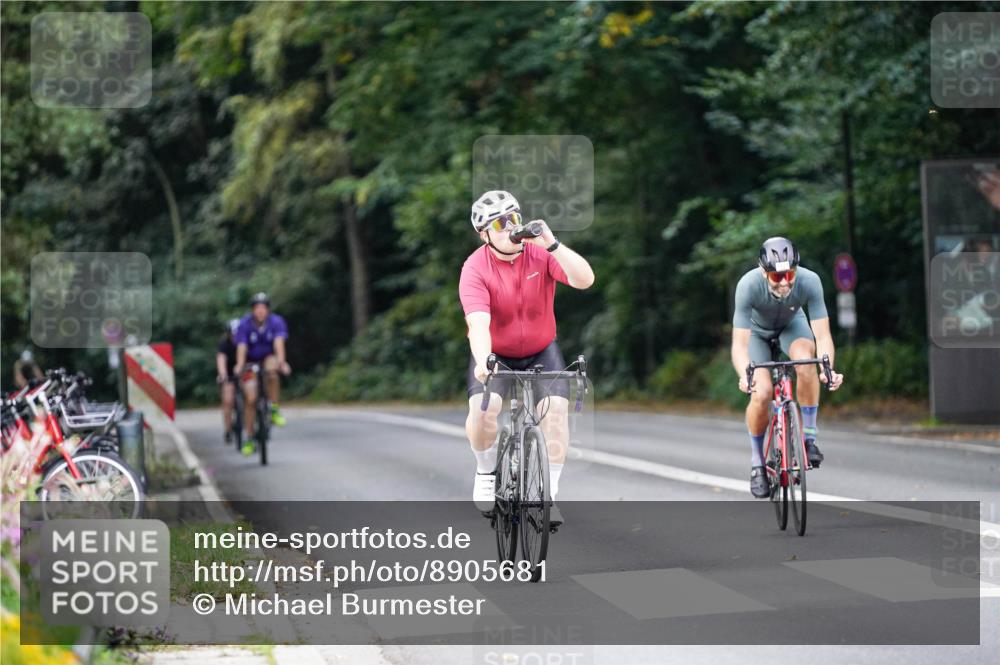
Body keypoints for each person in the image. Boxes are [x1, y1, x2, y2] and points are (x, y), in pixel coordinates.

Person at [460, 190, 595, 528]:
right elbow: (478, 325)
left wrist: (552, 245)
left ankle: (547, 497)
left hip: (541, 349)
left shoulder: (539, 253)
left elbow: (585, 280)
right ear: (484, 234)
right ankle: (485, 469)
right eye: (501, 223)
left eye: (515, 219)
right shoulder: (475, 268)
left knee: (556, 413)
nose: (511, 228)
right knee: (483, 411)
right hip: (497, 353)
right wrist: (483, 360)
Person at [730, 237, 844, 498]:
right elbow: (739, 344)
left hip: (793, 327)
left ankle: (809, 438)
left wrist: (828, 369)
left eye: (789, 274)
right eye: (776, 276)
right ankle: (758, 463)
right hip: (757, 336)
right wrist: (745, 375)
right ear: (764, 271)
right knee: (761, 394)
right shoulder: (747, 286)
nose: (784, 282)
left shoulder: (810, 281)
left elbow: (823, 335)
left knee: (806, 362)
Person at [233, 292, 291, 455]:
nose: (260, 311)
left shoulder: (276, 322)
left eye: (263, 308)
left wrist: (282, 362)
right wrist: (239, 364)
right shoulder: (244, 324)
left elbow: (279, 344)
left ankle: (273, 407)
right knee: (250, 399)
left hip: (267, 358)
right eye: (257, 308)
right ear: (253, 310)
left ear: (268, 310)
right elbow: (242, 346)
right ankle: (249, 437)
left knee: (272, 370)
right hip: (250, 362)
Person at [216, 319, 240, 444]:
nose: (236, 337)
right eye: (233, 334)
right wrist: (223, 374)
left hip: (245, 374)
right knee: (228, 400)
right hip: (230, 375)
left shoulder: (246, 343)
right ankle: (228, 429)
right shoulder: (224, 345)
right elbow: (221, 360)